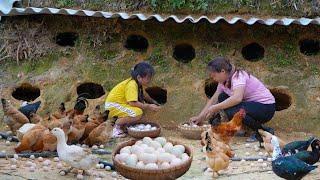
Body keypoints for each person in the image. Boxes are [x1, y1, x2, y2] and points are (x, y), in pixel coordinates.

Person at [190, 56, 276, 142]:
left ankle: (261, 131)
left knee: (235, 111)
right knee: (222, 97)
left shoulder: (238, 77)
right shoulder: (224, 81)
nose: (214, 79)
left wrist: (215, 108)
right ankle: (246, 128)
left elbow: (237, 98)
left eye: (214, 76)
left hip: (266, 107)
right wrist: (200, 117)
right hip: (253, 106)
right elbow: (214, 99)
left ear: (223, 71)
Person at [105, 62, 161, 137]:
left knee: (139, 112)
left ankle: (123, 125)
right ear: (139, 77)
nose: (149, 80)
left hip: (119, 105)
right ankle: (115, 127)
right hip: (113, 106)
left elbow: (145, 95)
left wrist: (154, 102)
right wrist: (148, 106)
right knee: (137, 113)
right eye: (148, 78)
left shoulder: (138, 84)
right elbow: (132, 103)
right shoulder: (132, 85)